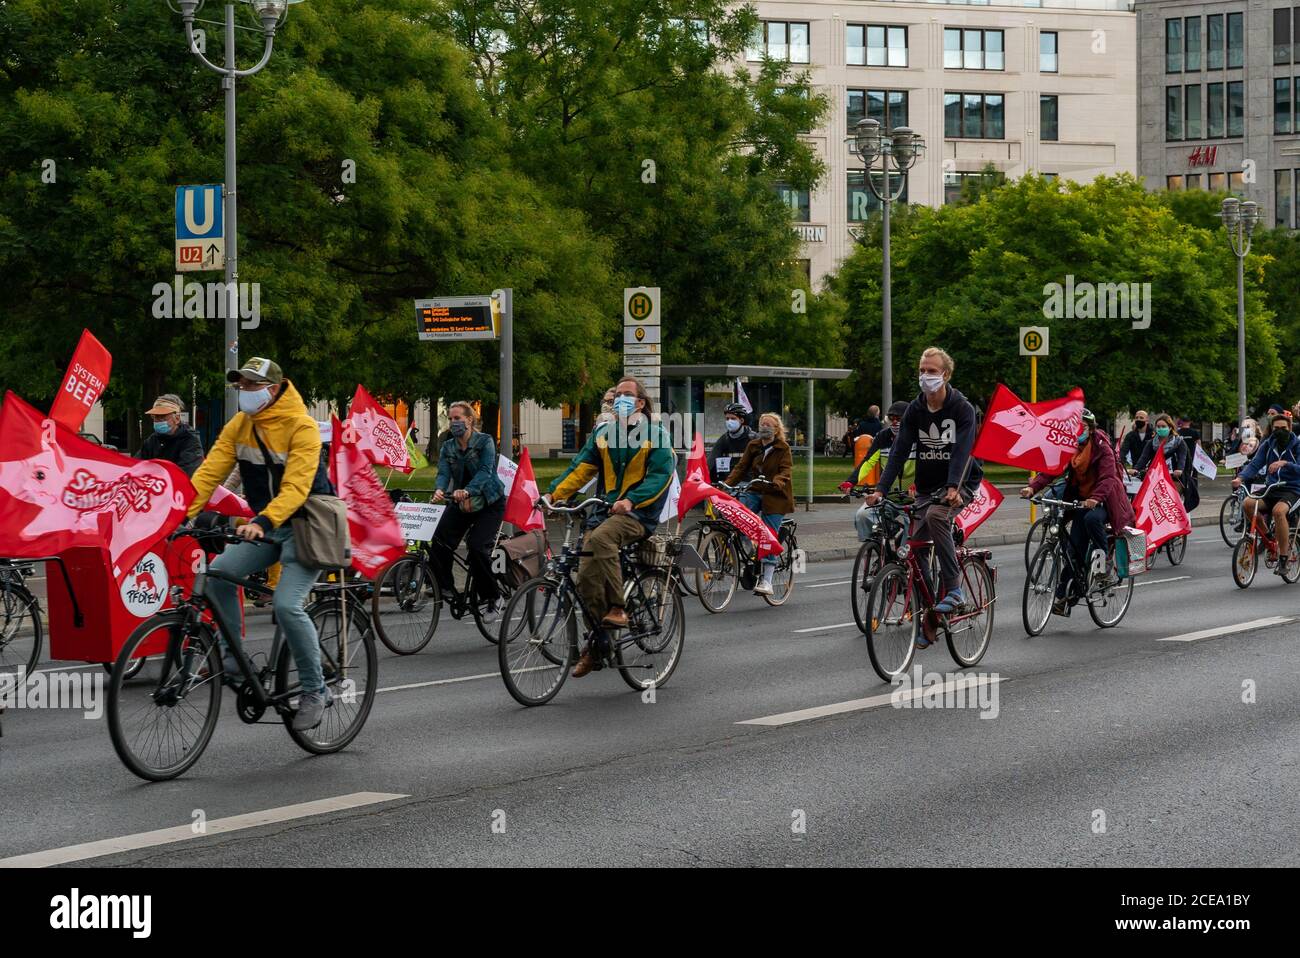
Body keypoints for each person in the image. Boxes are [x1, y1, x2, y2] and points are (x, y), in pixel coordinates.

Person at [184, 357, 336, 731]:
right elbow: (209, 473)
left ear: (273, 389)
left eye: (252, 386)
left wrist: (262, 520)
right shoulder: (240, 425)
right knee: (218, 573)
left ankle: (315, 690)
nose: (245, 393)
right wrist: (180, 514)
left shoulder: (301, 426)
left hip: (305, 526)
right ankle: (234, 661)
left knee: (285, 605)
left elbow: (297, 487)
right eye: (241, 386)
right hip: (265, 526)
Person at [546, 377, 675, 677]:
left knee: (603, 539)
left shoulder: (655, 435)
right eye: (617, 395)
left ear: (640, 403)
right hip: (604, 511)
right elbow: (580, 468)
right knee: (586, 579)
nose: (620, 400)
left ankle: (619, 607)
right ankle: (599, 645)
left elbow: (661, 476)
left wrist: (631, 500)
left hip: (638, 515)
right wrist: (554, 494)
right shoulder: (604, 434)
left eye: (627, 396)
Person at [866, 348, 976, 630]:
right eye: (922, 370)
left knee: (937, 517)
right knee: (915, 547)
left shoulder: (961, 408)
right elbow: (899, 450)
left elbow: (963, 452)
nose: (925, 376)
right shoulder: (916, 409)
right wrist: (880, 489)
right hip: (928, 488)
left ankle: (954, 590)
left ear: (945, 375)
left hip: (960, 482)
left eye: (931, 371)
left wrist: (954, 487)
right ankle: (932, 613)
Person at [1021, 408, 1133, 615]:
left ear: (1090, 428)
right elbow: (1052, 469)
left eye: (1080, 426)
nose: (1076, 431)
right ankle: (1064, 598)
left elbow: (1108, 477)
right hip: (1081, 501)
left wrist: (1095, 498)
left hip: (1105, 500)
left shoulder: (1102, 447)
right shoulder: (1069, 447)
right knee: (1073, 551)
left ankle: (1104, 565)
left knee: (1092, 520)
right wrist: (1033, 487)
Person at [430, 402, 506, 613]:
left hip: (489, 502)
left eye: (457, 418)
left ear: (469, 420)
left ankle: (493, 596)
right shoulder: (448, 446)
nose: (453, 423)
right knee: (439, 539)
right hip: (461, 502)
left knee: (476, 546)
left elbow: (485, 470)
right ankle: (445, 586)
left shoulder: (484, 441)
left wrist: (468, 490)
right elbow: (443, 473)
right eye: (451, 419)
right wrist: (439, 489)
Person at [723, 412, 795, 596]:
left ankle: (767, 581)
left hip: (776, 494)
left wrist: (777, 481)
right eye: (762, 424)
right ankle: (749, 549)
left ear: (776, 429)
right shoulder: (753, 445)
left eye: (769, 425)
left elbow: (786, 470)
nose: (764, 427)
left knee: (768, 534)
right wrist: (726, 485)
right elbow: (741, 467)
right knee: (738, 514)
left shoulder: (782, 448)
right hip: (756, 490)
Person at [1233, 412, 1300, 575]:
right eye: (1276, 428)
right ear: (1271, 428)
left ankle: (1283, 558)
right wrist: (1240, 478)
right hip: (1272, 488)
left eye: (1283, 428)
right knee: (1248, 504)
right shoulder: (1268, 444)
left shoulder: (1297, 445)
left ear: (1290, 428)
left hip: (1293, 489)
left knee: (1278, 512)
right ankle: (1269, 538)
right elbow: (1255, 464)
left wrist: (1285, 463)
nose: (1280, 431)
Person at [135, 394, 204, 476]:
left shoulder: (190, 440)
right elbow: (136, 465)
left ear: (177, 419)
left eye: (162, 417)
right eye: (155, 417)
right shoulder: (153, 440)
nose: (158, 420)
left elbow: (186, 473)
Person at [1134, 413, 1189, 496]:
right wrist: (1135, 469)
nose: (1160, 429)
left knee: (1170, 499)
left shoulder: (1179, 442)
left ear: (1170, 427)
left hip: (1173, 478)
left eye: (1163, 426)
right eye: (1158, 427)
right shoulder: (1151, 443)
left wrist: (1179, 469)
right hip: (1154, 476)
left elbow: (1182, 457)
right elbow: (1144, 458)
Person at [709, 402, 756, 485]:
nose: (729, 421)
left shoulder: (753, 438)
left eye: (733, 418)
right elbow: (711, 461)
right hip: (728, 484)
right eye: (727, 419)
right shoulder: (724, 439)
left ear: (741, 420)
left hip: (749, 484)